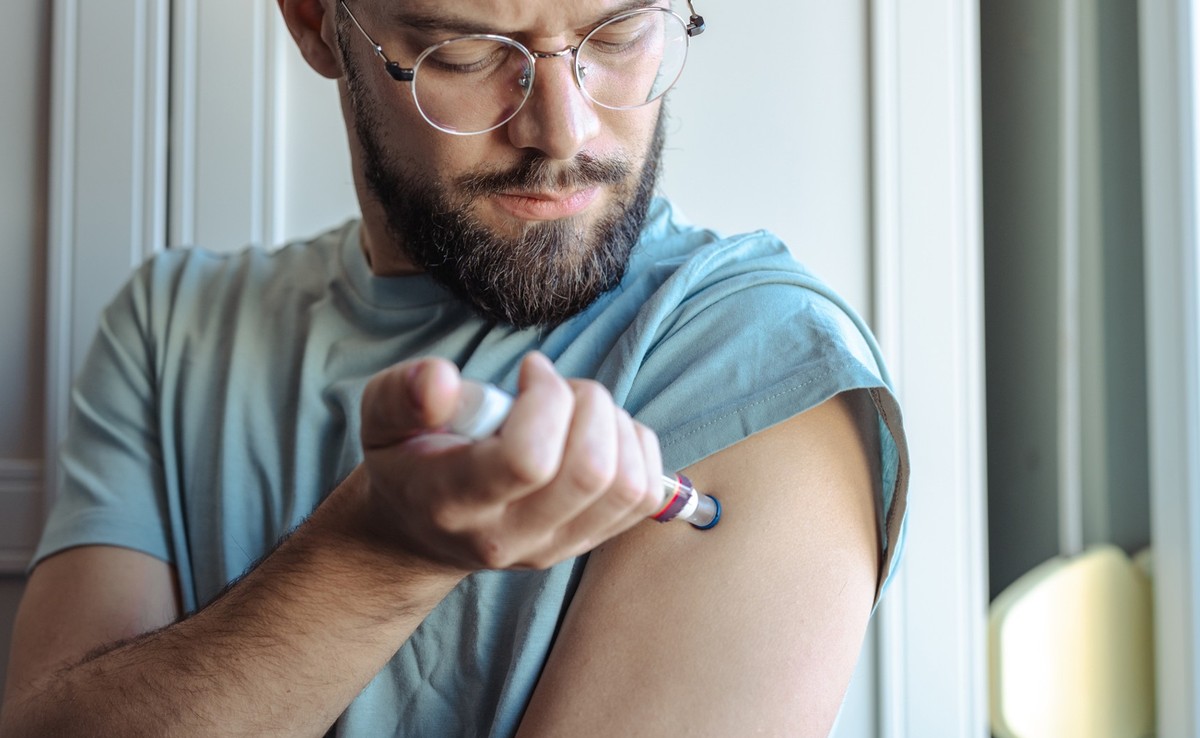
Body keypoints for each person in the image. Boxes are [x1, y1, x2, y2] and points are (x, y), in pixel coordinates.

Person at [0, 0, 908, 735]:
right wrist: (379, 553)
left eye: (621, 33)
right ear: (318, 22)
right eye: (469, 54)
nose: (564, 130)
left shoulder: (762, 358)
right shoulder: (173, 326)